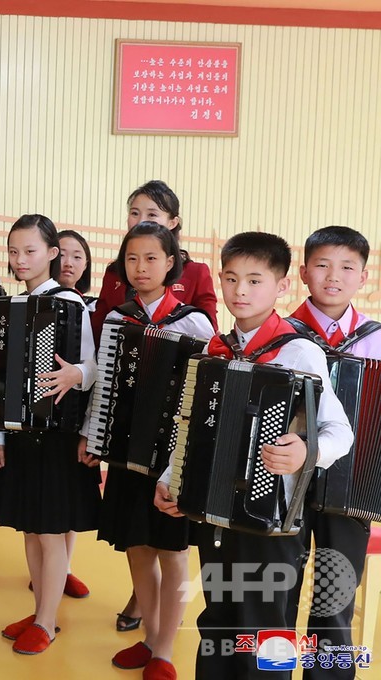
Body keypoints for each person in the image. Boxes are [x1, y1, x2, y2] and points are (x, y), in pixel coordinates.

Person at [154, 232, 353, 680]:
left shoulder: (299, 351)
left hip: (272, 523)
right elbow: (192, 426)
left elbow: (340, 431)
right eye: (230, 278)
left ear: (282, 286)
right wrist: (171, 477)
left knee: (265, 635)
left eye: (254, 280)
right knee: (217, 624)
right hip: (215, 516)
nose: (240, 290)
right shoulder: (215, 349)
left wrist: (307, 451)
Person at [78, 223, 214, 676]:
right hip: (125, 450)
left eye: (151, 258)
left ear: (171, 263)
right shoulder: (119, 319)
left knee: (173, 554)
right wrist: (93, 434)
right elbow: (104, 385)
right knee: (137, 546)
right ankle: (150, 637)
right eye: (132, 258)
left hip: (173, 458)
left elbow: (204, 396)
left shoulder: (195, 322)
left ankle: (165, 651)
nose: (140, 267)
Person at [0, 215, 100, 655]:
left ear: (52, 253)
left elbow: (93, 367)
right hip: (20, 435)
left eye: (30, 251)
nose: (20, 259)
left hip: (57, 435)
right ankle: (39, 611)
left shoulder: (71, 303)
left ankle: (47, 622)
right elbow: (3, 379)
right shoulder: (12, 306)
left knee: (50, 532)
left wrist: (76, 374)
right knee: (30, 531)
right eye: (13, 251)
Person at [285, 226, 380, 680]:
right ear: (304, 272)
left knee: (336, 602)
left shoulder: (376, 340)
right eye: (322, 265)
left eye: (347, 267)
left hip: (352, 489)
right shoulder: (282, 335)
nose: (333, 276)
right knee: (277, 596)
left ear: (364, 276)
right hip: (284, 485)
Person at [91, 180, 217, 339]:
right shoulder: (114, 272)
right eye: (134, 213)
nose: (141, 221)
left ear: (172, 222)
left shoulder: (196, 273)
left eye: (151, 214)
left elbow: (207, 335)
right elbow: (98, 331)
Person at [54, 228, 96, 599]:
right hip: (48, 414)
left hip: (81, 413)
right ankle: (51, 570)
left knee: (68, 497)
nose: (68, 262)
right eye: (63, 254)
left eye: (77, 256)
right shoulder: (38, 301)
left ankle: (64, 568)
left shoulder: (94, 308)